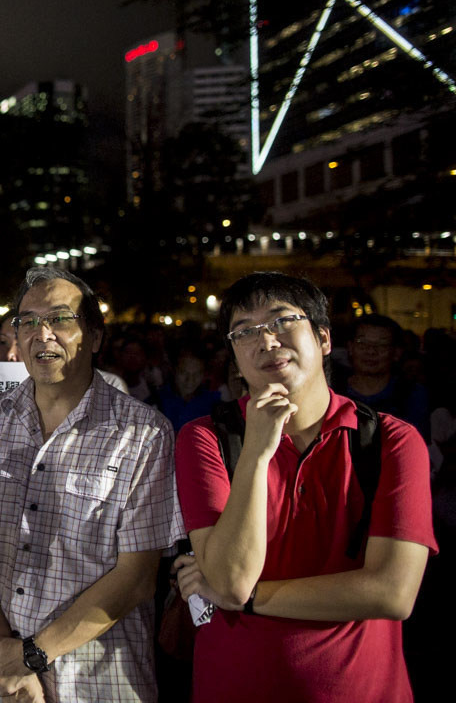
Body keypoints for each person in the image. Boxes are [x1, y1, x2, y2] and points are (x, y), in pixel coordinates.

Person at [173, 271, 436, 703]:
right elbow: (230, 580)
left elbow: (392, 593)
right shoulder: (205, 438)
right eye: (245, 332)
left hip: (364, 691)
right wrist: (257, 451)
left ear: (324, 338)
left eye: (281, 321)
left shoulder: (391, 440)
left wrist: (251, 597)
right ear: (234, 358)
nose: (267, 340)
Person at [0, 267, 182, 702]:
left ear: (95, 336)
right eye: (26, 321)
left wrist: (33, 655)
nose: (41, 333)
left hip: (97, 677)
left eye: (60, 319)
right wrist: (5, 655)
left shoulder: (145, 433)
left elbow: (138, 577)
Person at [336, 313, 430, 439]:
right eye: (362, 343)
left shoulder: (412, 395)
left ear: (396, 353)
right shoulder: (332, 392)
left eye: (382, 345)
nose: (371, 351)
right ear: (350, 347)